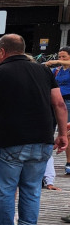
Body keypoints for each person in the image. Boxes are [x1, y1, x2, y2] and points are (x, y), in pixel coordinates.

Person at [0, 34, 68, 225]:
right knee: (32, 190)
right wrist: (62, 134)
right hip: (43, 141)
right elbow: (60, 104)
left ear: (2, 52)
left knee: (6, 191)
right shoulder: (44, 71)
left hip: (10, 141)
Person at [44, 46, 70, 174]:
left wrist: (56, 61)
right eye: (59, 56)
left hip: (68, 102)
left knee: (67, 132)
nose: (61, 59)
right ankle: (45, 159)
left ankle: (69, 162)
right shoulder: (57, 71)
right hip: (55, 102)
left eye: (64, 56)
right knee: (49, 128)